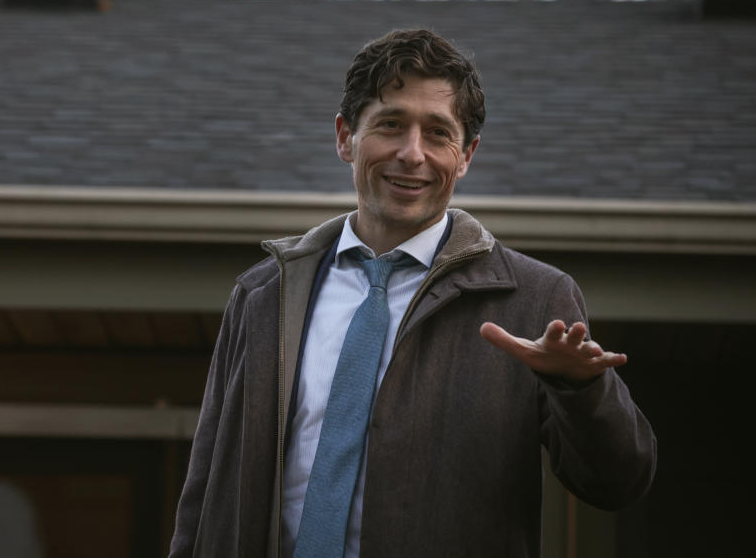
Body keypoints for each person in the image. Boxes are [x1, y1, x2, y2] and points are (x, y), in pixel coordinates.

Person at [168, 29, 656, 558]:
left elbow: (618, 483)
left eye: (438, 133)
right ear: (345, 137)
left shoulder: (534, 299)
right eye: (391, 124)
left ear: (465, 155)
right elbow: (205, 486)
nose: (411, 153)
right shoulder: (263, 293)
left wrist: (579, 391)